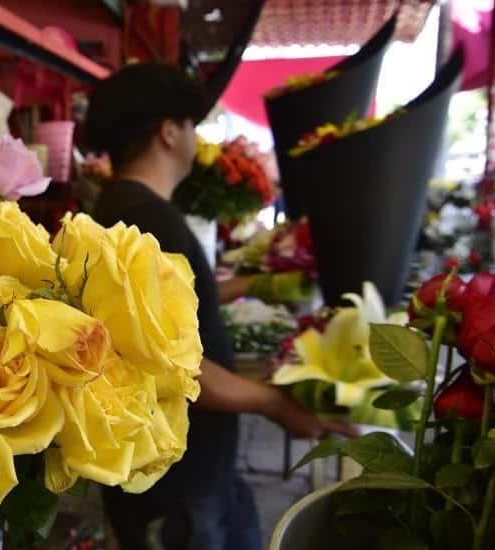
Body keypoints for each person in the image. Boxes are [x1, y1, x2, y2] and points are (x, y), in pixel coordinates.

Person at [85, 63, 355, 550]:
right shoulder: (146, 220)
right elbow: (170, 366)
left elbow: (170, 309)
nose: (196, 137)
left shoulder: (124, 207)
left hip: (187, 467)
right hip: (178, 481)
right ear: (169, 132)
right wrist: (273, 402)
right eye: (192, 125)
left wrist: (256, 285)